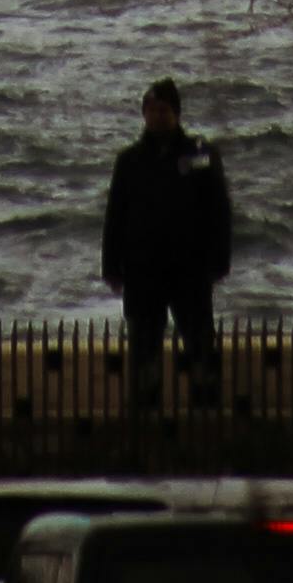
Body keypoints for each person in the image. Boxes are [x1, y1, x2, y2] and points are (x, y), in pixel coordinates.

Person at [101, 77, 230, 402]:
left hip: (190, 269)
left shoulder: (201, 155)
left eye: (164, 110)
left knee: (200, 343)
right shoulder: (129, 161)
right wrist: (111, 267)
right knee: (144, 348)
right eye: (152, 110)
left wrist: (219, 261)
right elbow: (115, 216)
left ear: (176, 113)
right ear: (144, 114)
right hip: (142, 271)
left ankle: (206, 408)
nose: (158, 116)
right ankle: (146, 411)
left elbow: (219, 211)